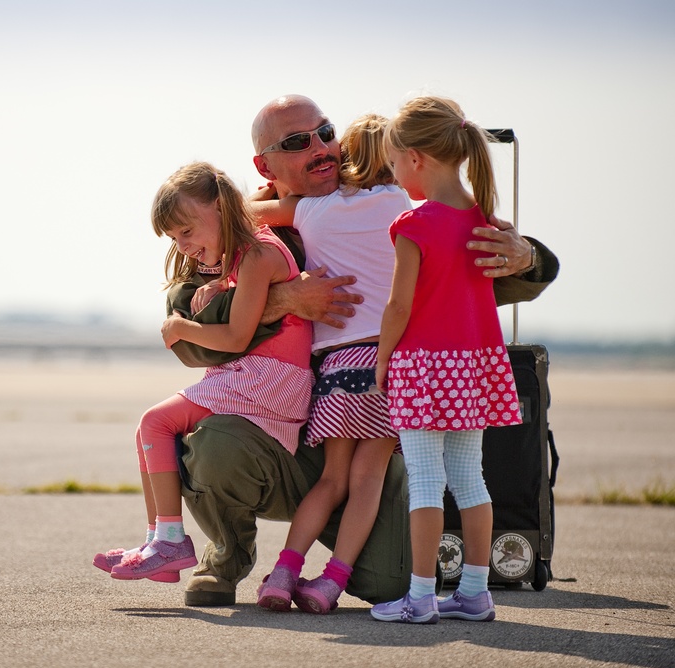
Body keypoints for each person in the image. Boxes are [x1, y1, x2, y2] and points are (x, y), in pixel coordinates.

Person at [174, 95, 558, 609]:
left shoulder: (398, 211)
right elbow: (183, 323)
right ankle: (228, 557)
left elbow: (522, 270)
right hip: (276, 432)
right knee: (214, 444)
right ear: (264, 165)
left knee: (386, 582)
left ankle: (305, 574)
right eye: (296, 142)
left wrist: (526, 255)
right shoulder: (241, 234)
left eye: (326, 132)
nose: (319, 147)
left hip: (347, 418)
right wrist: (280, 298)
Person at [92, 161, 314, 583]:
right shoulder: (243, 257)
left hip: (268, 380)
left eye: (187, 231)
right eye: (175, 237)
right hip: (259, 376)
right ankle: (158, 540)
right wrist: (219, 284)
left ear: (220, 206)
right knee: (149, 432)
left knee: (154, 422)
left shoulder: (258, 255)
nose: (184, 245)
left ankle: (171, 541)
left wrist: (181, 327)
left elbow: (234, 337)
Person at [247, 114, 412, 613]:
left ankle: (282, 572)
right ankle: (331, 582)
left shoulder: (311, 211)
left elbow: (246, 208)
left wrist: (274, 196)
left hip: (338, 366)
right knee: (368, 480)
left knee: (331, 480)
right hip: (390, 362)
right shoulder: (402, 207)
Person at [369, 95, 523, 623]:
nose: (394, 174)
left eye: (392, 163)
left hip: (423, 367)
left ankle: (420, 596)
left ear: (416, 158)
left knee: (427, 482)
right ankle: (476, 592)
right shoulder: (484, 220)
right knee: (470, 478)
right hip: (475, 366)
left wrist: (383, 360)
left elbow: (398, 305)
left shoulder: (414, 223)